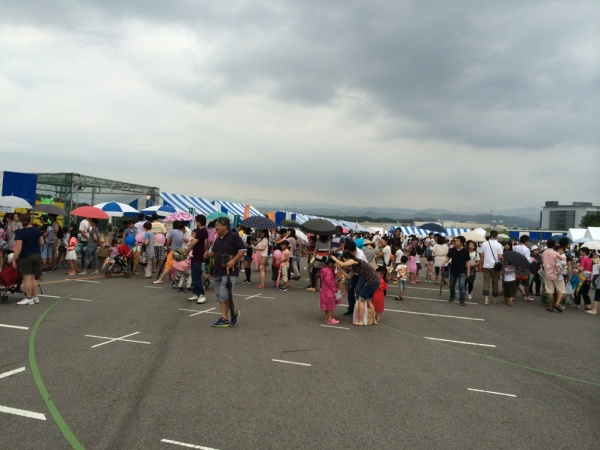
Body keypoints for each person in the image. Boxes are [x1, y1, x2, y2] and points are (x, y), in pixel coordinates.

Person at [203, 216, 245, 327]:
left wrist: (233, 260)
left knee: (224, 296)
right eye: (216, 225)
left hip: (229, 271)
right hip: (217, 271)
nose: (216, 227)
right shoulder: (217, 239)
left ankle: (224, 318)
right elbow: (214, 252)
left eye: (219, 225)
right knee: (221, 297)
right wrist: (208, 255)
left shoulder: (234, 236)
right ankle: (232, 314)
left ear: (226, 226)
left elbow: (243, 250)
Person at [330, 251, 380, 326]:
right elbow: (349, 276)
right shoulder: (354, 266)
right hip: (375, 281)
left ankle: (360, 321)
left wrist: (333, 258)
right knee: (369, 301)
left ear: (347, 258)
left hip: (371, 281)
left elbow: (343, 264)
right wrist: (341, 270)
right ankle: (373, 320)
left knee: (361, 300)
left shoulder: (355, 260)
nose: (345, 262)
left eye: (344, 260)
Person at [12, 213, 44, 305]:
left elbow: (18, 248)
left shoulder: (20, 232)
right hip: (37, 255)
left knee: (27, 278)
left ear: (22, 222)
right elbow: (42, 242)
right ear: (30, 220)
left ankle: (28, 297)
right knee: (33, 277)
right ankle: (35, 297)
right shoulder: (37, 230)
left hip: (26, 256)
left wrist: (14, 259)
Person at [443, 236, 471, 306]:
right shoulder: (452, 250)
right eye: (455, 241)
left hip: (462, 271)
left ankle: (462, 300)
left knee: (462, 286)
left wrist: (468, 271)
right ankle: (452, 296)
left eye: (457, 241)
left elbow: (468, 262)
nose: (455, 242)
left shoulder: (465, 251)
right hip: (453, 270)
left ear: (462, 243)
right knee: (452, 285)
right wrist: (444, 262)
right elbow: (448, 257)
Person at [479, 231, 504, 305]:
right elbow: (500, 256)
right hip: (495, 266)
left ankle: (486, 299)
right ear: (496, 236)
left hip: (486, 265)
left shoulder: (484, 244)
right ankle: (495, 298)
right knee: (495, 282)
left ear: (490, 235)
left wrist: (481, 264)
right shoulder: (499, 245)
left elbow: (482, 255)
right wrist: (504, 261)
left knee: (486, 282)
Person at [540, 239, 566, 312]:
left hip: (547, 274)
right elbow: (562, 259)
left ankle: (550, 306)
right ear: (554, 245)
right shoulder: (555, 253)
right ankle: (557, 303)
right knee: (561, 290)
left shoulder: (543, 253)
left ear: (547, 245)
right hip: (557, 274)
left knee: (550, 291)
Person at [188, 214, 209, 303]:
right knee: (194, 276)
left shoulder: (201, 231)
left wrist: (186, 251)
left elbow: (193, 243)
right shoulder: (203, 231)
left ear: (199, 222)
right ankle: (196, 294)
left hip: (198, 256)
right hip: (196, 255)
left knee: (197, 276)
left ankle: (201, 295)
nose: (196, 223)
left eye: (196, 221)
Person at [319, 256, 340, 324]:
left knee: (326, 305)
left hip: (324, 289)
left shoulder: (324, 270)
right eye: (334, 264)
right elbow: (329, 282)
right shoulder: (329, 272)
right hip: (329, 290)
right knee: (330, 305)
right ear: (330, 263)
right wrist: (335, 288)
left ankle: (327, 317)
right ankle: (330, 318)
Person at [513, 235, 533, 301]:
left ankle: (513, 296)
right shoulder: (526, 249)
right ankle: (527, 296)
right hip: (524, 268)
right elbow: (527, 260)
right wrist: (532, 260)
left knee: (516, 283)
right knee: (526, 284)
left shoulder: (515, 247)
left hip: (516, 266)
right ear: (526, 241)